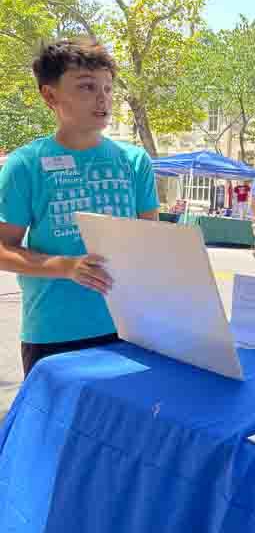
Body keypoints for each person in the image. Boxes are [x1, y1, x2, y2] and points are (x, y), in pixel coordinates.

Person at [0, 37, 159, 378]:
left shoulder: (135, 161)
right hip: (54, 334)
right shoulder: (26, 165)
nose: (102, 98)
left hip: (130, 329)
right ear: (50, 95)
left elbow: (153, 242)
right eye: (87, 87)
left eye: (107, 88)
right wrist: (66, 266)